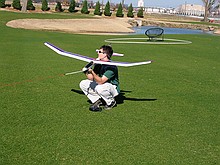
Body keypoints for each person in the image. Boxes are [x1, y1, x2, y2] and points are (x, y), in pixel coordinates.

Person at [79, 45, 120, 111]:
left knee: (99, 88)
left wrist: (92, 71)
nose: (98, 53)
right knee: (83, 83)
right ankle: (97, 100)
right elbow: (91, 78)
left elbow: (101, 81)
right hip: (102, 85)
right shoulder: (99, 63)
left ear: (105, 54)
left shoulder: (111, 67)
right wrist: (86, 72)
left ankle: (111, 102)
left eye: (99, 51)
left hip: (112, 87)